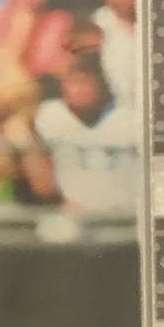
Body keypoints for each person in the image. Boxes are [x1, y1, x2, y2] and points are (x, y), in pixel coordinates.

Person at [25, 57, 140, 218]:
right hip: (71, 213)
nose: (78, 90)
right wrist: (59, 201)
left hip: (125, 213)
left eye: (85, 83)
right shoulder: (51, 116)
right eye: (73, 83)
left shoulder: (127, 118)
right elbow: (42, 183)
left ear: (103, 85)